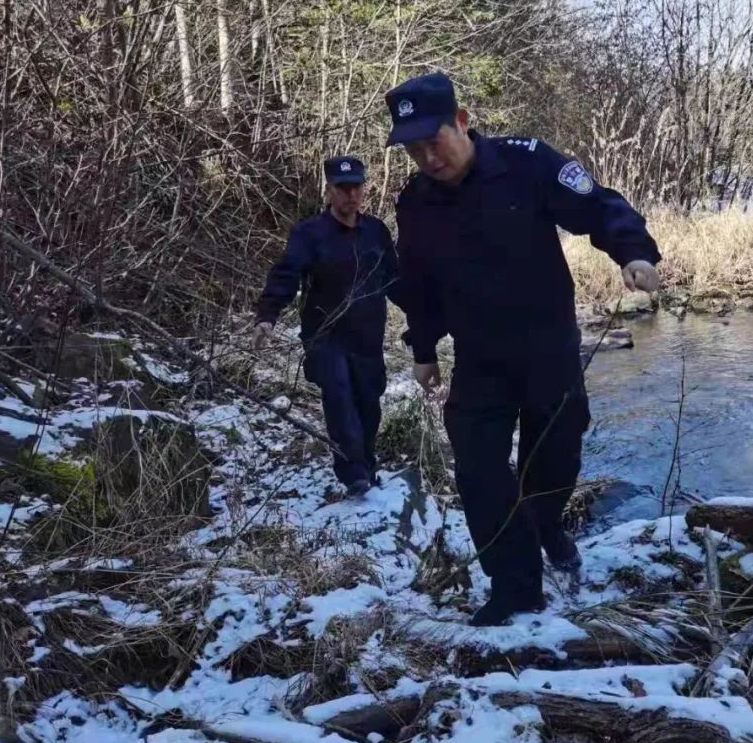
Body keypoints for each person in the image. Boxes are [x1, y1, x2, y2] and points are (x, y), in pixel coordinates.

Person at [386, 72, 661, 626]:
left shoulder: (528, 162)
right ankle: (516, 592)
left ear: (462, 123)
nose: (427, 158)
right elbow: (418, 283)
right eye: (413, 150)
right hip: (479, 358)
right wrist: (422, 348)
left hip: (548, 349)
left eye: (433, 141)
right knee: (479, 471)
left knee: (553, 462)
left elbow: (598, 206)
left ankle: (548, 527)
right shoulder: (415, 203)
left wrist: (633, 252)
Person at [253, 156, 402, 497]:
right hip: (325, 336)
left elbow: (396, 280)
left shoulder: (375, 232)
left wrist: (426, 319)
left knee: (368, 402)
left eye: (356, 187)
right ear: (329, 190)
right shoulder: (310, 234)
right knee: (338, 396)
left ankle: (366, 462)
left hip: (367, 337)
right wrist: (267, 314)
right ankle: (353, 472)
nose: (351, 195)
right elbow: (287, 273)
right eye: (343, 188)